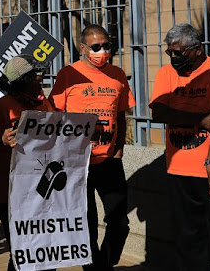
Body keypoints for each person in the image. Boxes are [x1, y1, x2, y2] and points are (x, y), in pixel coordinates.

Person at [149, 23, 210, 271]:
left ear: (196, 49)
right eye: (169, 52)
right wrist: (201, 119)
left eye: (178, 53)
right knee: (189, 243)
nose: (173, 58)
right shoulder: (166, 74)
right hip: (180, 171)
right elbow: (159, 112)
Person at [48, 24, 135, 271]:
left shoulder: (118, 74)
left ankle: (104, 263)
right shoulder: (68, 74)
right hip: (77, 162)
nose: (103, 51)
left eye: (107, 45)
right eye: (96, 47)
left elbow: (121, 114)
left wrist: (119, 147)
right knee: (86, 222)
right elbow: (55, 113)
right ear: (83, 48)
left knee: (119, 221)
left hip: (109, 160)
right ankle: (94, 267)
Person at [0, 55, 53, 271]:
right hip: (9, 192)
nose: (39, 78)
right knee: (22, 251)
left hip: (41, 190)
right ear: (22, 80)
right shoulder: (1, 107)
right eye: (33, 75)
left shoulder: (45, 105)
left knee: (46, 250)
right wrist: (1, 141)